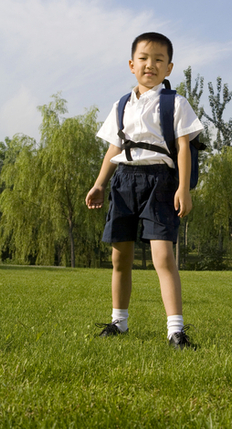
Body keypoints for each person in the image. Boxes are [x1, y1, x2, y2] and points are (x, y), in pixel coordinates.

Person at [85, 32, 203, 349]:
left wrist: (183, 188)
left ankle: (175, 330)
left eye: (159, 60)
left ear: (169, 68)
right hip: (124, 180)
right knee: (119, 257)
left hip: (160, 182)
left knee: (163, 257)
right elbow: (114, 148)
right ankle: (118, 322)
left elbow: (182, 148)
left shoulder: (175, 103)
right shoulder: (121, 105)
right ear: (131, 64)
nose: (150, 64)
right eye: (144, 58)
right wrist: (99, 184)